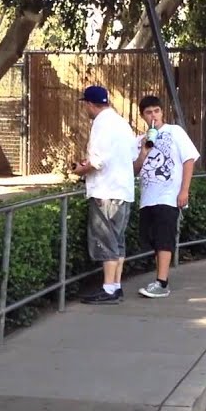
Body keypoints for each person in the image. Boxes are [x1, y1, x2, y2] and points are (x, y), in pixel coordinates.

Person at [70, 85, 138, 304]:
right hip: (124, 190)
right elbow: (134, 153)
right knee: (117, 240)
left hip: (105, 190)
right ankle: (116, 285)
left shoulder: (100, 124)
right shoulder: (121, 122)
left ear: (90, 104)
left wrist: (79, 170)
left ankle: (108, 289)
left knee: (105, 239)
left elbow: (97, 161)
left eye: (86, 106)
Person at [132, 95, 200, 298]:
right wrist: (144, 152)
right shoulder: (139, 141)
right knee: (152, 238)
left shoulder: (174, 132)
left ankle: (162, 282)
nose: (153, 115)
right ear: (143, 116)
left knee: (164, 238)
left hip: (169, 195)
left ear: (162, 112)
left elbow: (189, 159)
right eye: (148, 112)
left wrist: (184, 190)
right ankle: (159, 279)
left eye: (156, 111)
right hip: (148, 197)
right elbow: (134, 170)